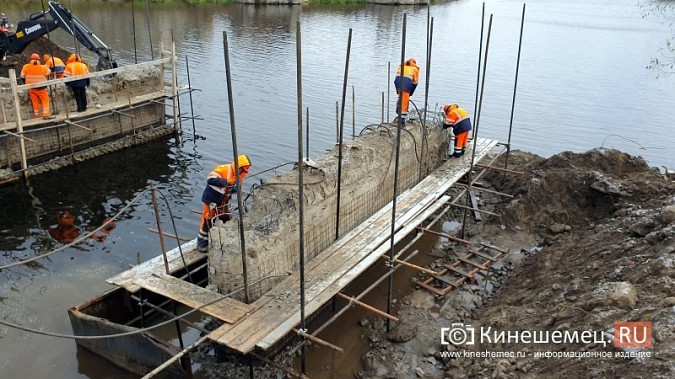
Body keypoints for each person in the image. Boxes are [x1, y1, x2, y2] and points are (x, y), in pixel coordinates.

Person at [197, 154, 252, 253]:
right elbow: (210, 179)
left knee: (226, 219)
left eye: (245, 171)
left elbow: (234, 189)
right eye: (242, 170)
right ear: (238, 167)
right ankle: (202, 244)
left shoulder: (240, 176)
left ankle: (226, 239)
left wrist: (236, 188)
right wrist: (227, 182)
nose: (243, 173)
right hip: (211, 201)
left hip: (224, 201)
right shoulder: (223, 169)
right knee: (207, 222)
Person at [19, 53, 54, 119]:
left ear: (31, 59)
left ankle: (37, 116)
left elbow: (22, 76)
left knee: (35, 101)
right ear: (38, 59)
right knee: (45, 100)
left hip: (31, 87)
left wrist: (25, 83)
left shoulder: (26, 66)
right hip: (41, 87)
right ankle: (46, 115)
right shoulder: (42, 67)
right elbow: (48, 72)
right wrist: (49, 69)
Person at [393, 57, 420, 124]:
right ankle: (402, 120)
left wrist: (397, 90)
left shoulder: (401, 66)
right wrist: (410, 93)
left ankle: (399, 105)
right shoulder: (415, 69)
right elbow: (415, 83)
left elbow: (397, 79)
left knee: (401, 97)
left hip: (398, 83)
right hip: (406, 85)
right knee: (405, 101)